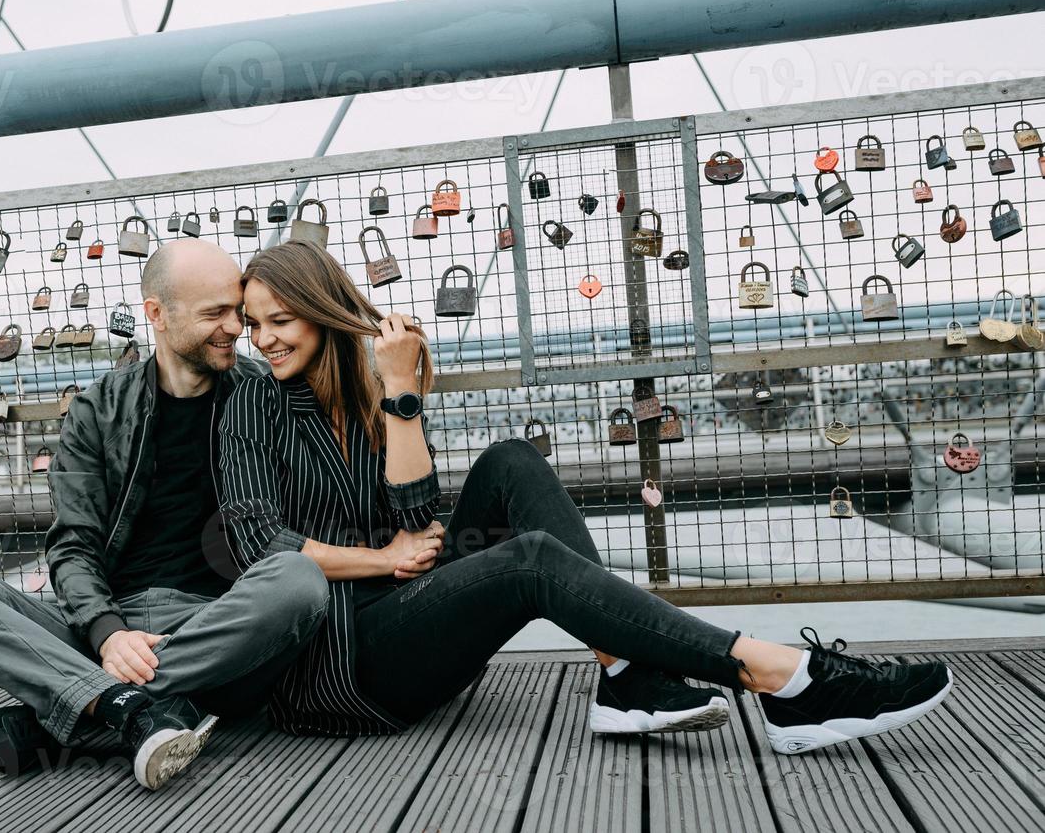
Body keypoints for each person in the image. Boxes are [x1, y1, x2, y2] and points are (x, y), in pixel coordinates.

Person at [217, 241, 953, 753]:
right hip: (341, 668)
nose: (264, 340)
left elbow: (416, 518)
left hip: (412, 619)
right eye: (254, 324)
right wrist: (382, 560)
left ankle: (625, 674)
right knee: (529, 562)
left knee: (509, 460)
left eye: (281, 321)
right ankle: (783, 674)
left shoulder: (370, 387)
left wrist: (401, 392)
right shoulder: (250, 403)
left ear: (325, 310)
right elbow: (259, 547)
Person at [0, 240, 329, 790]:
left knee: (298, 579)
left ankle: (82, 707)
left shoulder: (266, 395)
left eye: (236, 312)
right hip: (106, 627)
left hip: (218, 626)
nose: (236, 329)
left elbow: (296, 524)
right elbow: (73, 544)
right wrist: (106, 633)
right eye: (214, 313)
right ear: (157, 314)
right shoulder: (98, 409)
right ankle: (134, 709)